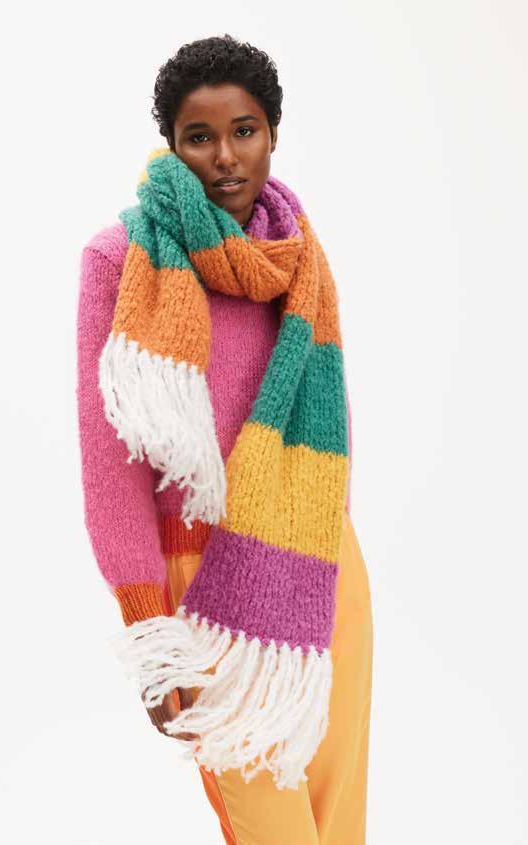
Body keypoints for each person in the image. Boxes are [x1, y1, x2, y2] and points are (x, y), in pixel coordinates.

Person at [76, 33, 373, 845]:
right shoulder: (121, 259)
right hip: (204, 585)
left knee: (339, 825)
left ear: (272, 133)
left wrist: (329, 540)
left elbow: (335, 418)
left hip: (320, 563)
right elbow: (110, 467)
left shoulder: (298, 256)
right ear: (171, 144)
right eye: (198, 137)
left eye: (244, 130)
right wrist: (150, 632)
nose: (225, 156)